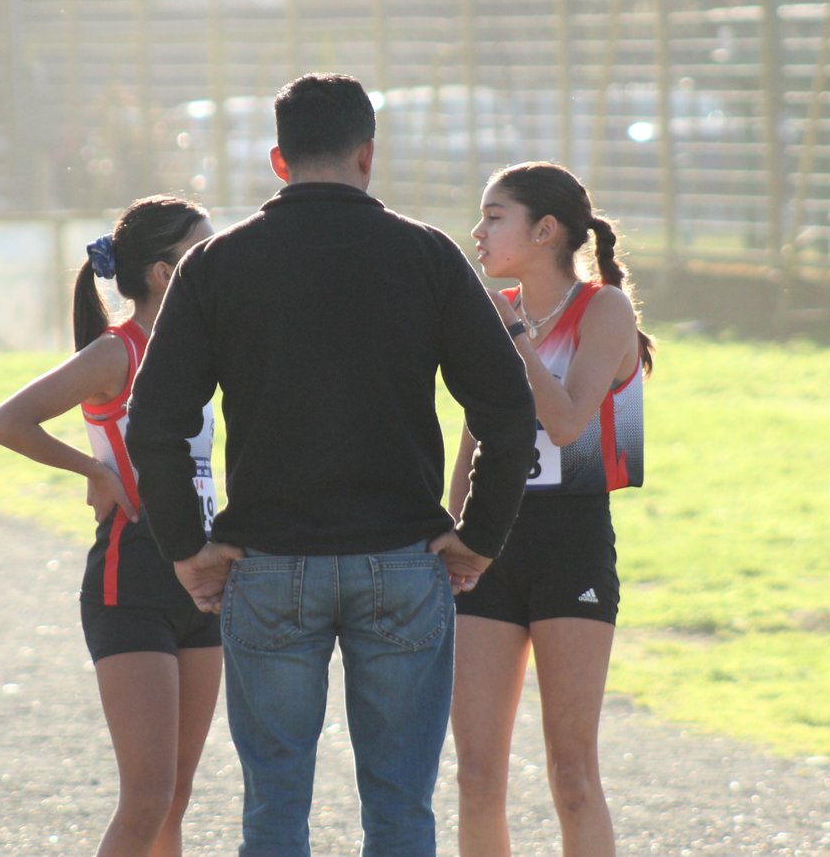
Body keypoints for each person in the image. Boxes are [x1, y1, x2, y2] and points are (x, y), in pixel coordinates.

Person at [124, 73, 539, 857]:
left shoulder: (216, 263)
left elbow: (154, 423)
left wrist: (186, 545)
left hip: (268, 560)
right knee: (401, 805)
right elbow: (509, 411)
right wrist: (480, 533)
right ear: (368, 154)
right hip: (404, 556)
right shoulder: (428, 254)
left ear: (278, 160)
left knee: (275, 805)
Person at [0, 195, 220, 857]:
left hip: (202, 578)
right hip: (132, 576)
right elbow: (7, 422)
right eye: (204, 252)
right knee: (146, 798)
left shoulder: (200, 350)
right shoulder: (118, 352)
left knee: (175, 796)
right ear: (163, 273)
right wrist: (92, 470)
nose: (218, 263)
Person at [448, 161, 654, 857]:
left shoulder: (604, 309)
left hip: (571, 542)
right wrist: (453, 530)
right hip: (490, 539)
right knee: (477, 775)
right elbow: (476, 434)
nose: (478, 231)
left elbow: (566, 423)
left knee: (572, 774)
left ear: (544, 230)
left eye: (494, 216)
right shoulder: (496, 311)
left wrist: (512, 335)